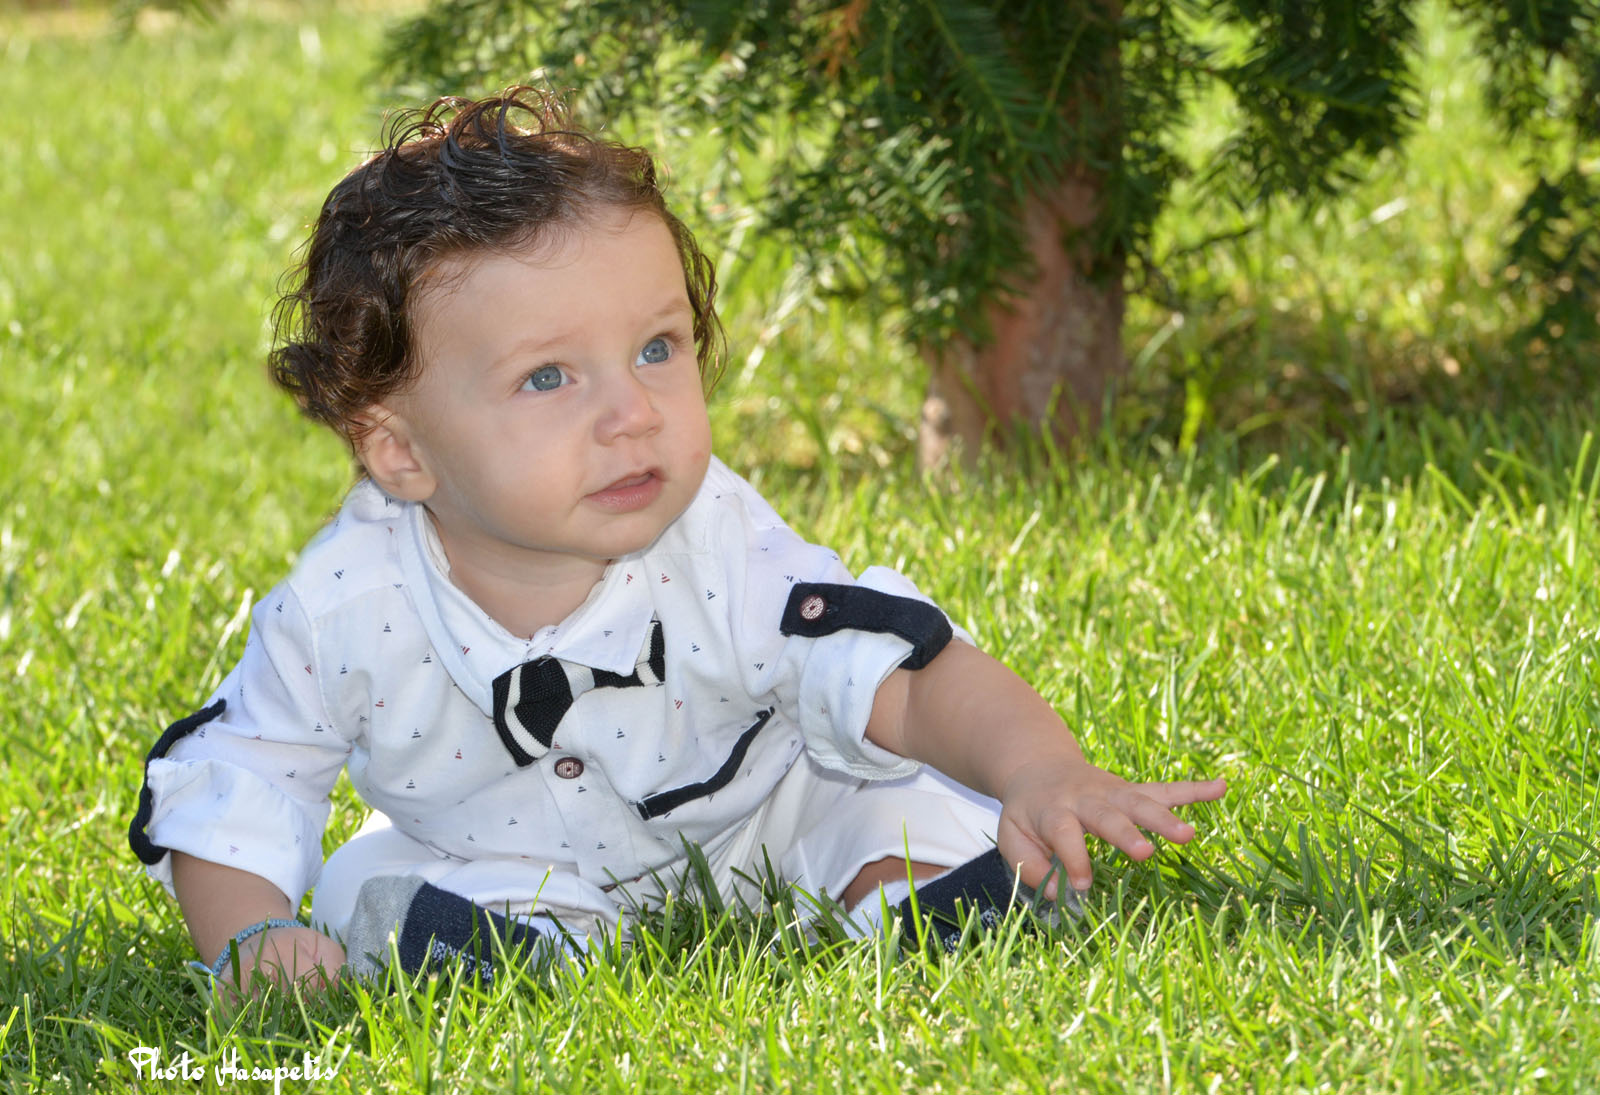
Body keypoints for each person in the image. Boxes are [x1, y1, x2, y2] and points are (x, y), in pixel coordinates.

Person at [128, 88, 1227, 993]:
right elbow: (239, 775)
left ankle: (917, 907)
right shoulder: (343, 607)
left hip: (763, 817)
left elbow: (902, 676)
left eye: (657, 348)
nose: (631, 412)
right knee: (379, 888)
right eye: (549, 378)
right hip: (502, 856)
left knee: (883, 801)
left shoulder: (718, 547)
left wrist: (1041, 769)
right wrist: (249, 937)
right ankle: (511, 959)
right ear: (401, 451)